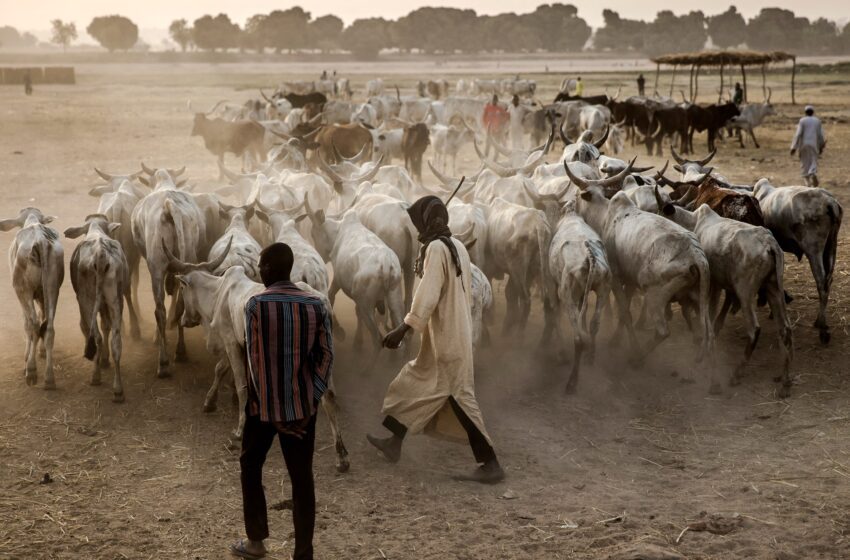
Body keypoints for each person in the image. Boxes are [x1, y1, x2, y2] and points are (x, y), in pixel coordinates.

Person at [367, 196, 505, 484]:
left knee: (461, 399)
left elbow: (427, 293)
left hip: (447, 339)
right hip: (454, 333)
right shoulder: (455, 247)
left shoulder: (436, 249)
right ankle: (395, 443)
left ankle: (491, 463)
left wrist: (402, 329)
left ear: (423, 222)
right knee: (414, 381)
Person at [231, 243, 334, 560]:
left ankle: (257, 541)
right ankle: (303, 553)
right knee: (302, 478)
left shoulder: (255, 305)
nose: (259, 270)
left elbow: (254, 362)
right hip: (303, 411)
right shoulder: (316, 305)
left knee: (250, 464)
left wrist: (273, 413)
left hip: (263, 409)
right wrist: (310, 401)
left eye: (261, 266)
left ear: (269, 270)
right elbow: (326, 357)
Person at [790, 105, 827, 187]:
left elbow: (798, 134)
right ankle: (812, 173)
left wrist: (793, 147)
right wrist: (821, 146)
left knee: (804, 162)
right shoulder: (817, 121)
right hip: (814, 144)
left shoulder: (802, 121)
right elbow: (820, 135)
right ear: (813, 112)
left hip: (803, 144)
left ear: (805, 112)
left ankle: (807, 182)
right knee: (813, 160)